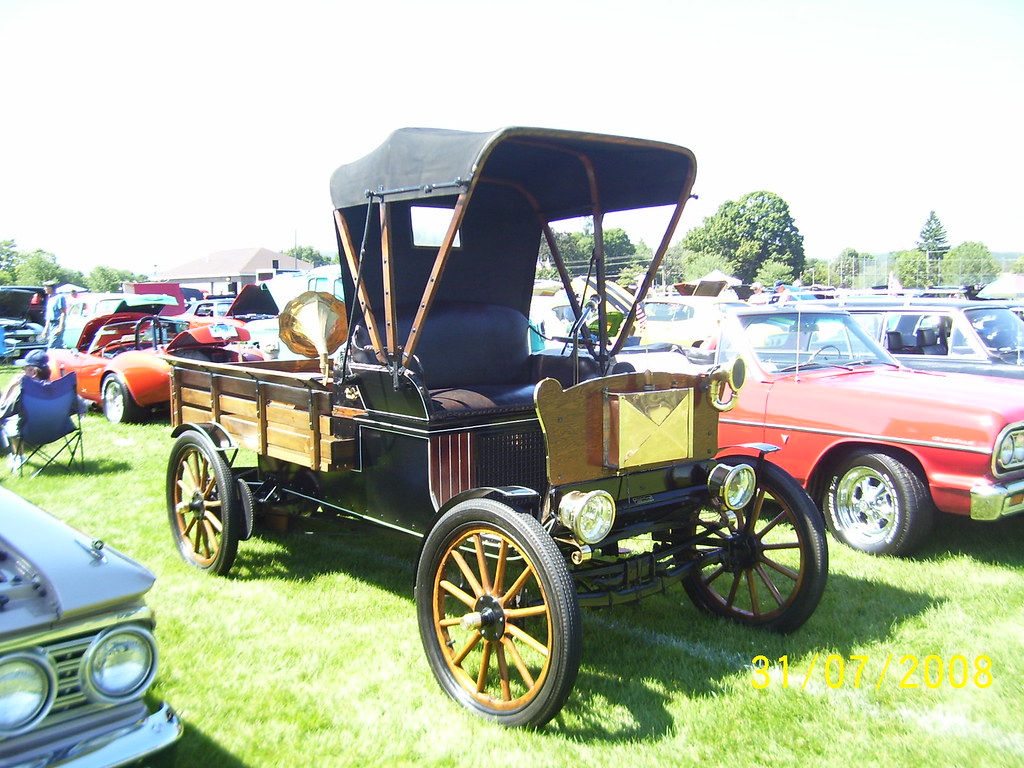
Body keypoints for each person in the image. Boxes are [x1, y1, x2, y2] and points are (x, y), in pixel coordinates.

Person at [0, 349, 51, 469]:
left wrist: (11, 386)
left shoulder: (23, 392)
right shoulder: (58, 389)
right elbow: (78, 407)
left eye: (25, 368)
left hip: (29, 432)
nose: (22, 371)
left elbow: (3, 410)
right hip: (56, 430)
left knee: (10, 422)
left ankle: (18, 456)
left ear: (33, 372)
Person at [42, 280, 67, 349]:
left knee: (52, 346)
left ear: (51, 288)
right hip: (51, 325)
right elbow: (49, 316)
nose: (44, 289)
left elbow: (63, 313)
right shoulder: (50, 299)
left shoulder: (59, 297)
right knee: (56, 346)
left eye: (46, 287)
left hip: (57, 324)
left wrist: (60, 327)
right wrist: (45, 329)